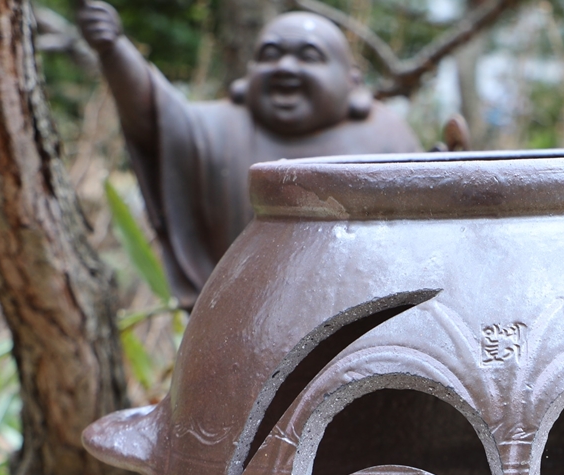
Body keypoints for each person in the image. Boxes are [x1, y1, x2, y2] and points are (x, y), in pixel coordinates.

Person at [77, 3, 422, 306]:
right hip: (242, 315)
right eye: (270, 55)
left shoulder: (386, 135)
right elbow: (155, 115)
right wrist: (114, 50)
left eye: (309, 57)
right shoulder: (219, 127)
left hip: (360, 317)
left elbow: (424, 222)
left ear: (351, 81)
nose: (286, 67)